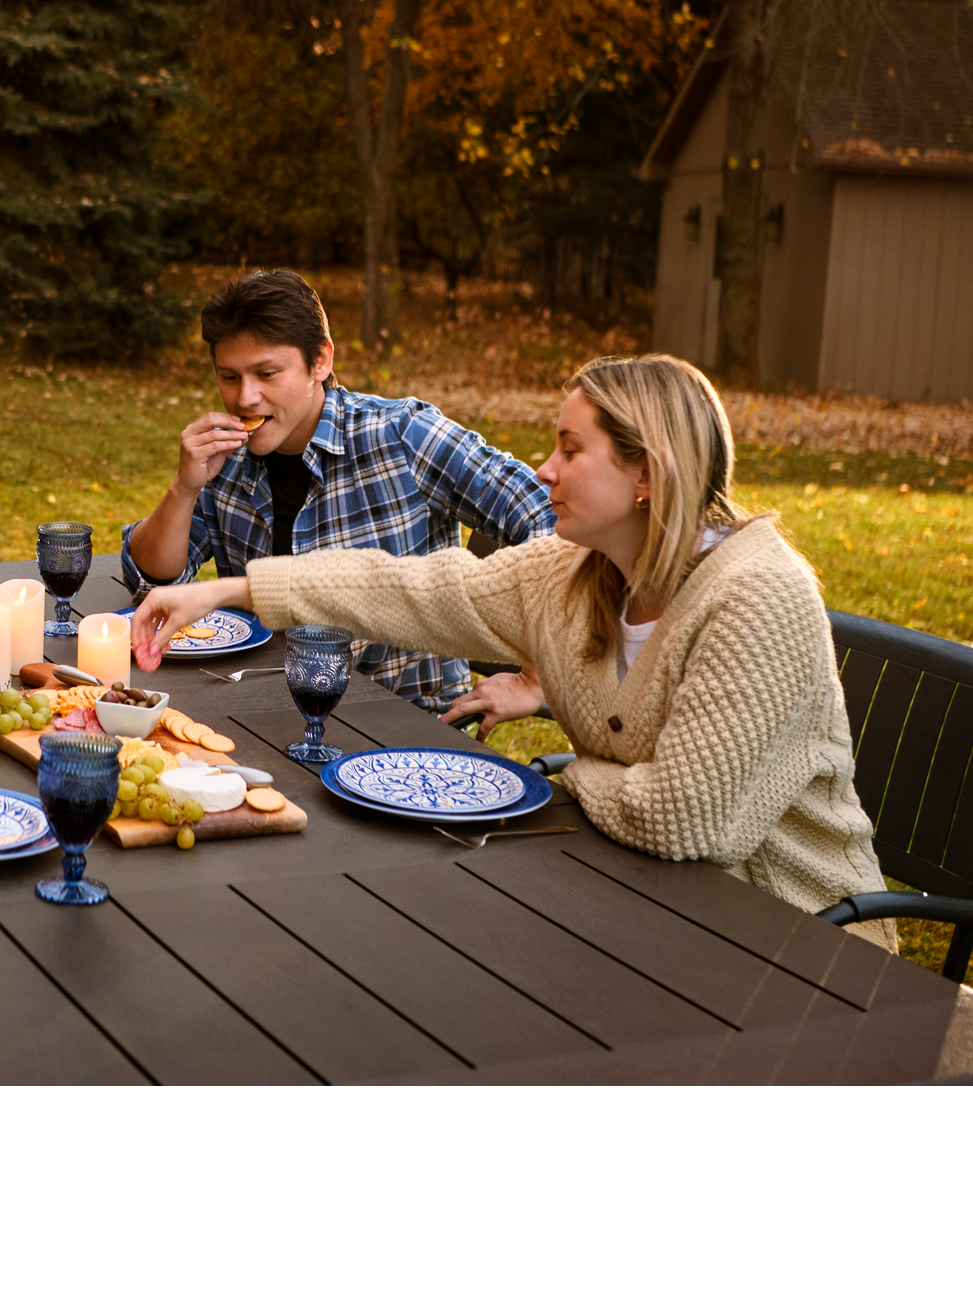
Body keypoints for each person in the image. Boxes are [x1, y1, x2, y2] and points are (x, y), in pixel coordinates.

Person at [131, 353, 896, 948]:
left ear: (645, 474)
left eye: (571, 449)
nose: (544, 470)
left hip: (788, 942)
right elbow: (408, 588)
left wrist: (567, 776)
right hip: (630, 894)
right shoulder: (574, 574)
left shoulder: (756, 596)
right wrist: (227, 591)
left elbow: (685, 823)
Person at [122, 269, 553, 710]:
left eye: (267, 373)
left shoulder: (404, 435)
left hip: (405, 723)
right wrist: (184, 487)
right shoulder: (226, 458)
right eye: (229, 377)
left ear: (320, 361)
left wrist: (536, 680)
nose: (245, 397)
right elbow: (154, 581)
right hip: (267, 709)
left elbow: (549, 516)